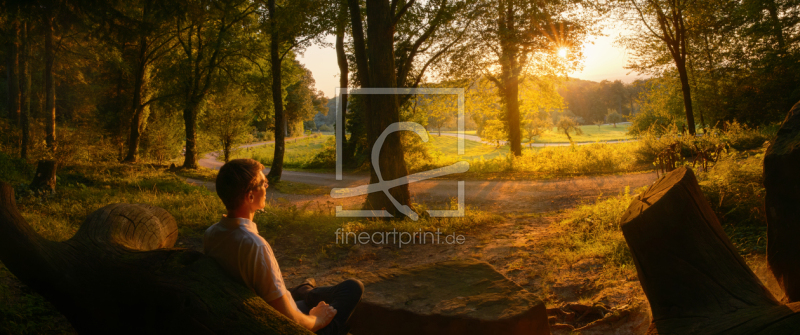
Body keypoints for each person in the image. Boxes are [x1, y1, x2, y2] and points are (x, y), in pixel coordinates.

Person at [203, 159, 363, 334]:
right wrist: (316, 318)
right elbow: (290, 320)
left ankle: (304, 292)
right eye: (264, 184)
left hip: (259, 308)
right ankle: (311, 301)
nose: (266, 188)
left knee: (308, 293)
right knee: (352, 288)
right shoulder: (255, 246)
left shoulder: (211, 234)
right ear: (250, 196)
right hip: (284, 324)